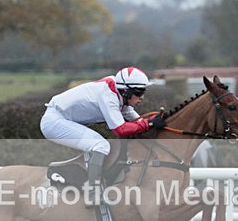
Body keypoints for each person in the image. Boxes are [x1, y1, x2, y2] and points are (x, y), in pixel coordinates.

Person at [40, 66, 165, 206]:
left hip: (63, 119)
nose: (142, 97)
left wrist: (154, 123)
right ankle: (93, 194)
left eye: (143, 92)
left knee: (100, 144)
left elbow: (137, 121)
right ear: (125, 91)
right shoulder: (108, 96)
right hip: (54, 122)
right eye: (138, 92)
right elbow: (120, 129)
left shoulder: (119, 92)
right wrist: (149, 124)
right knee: (101, 145)